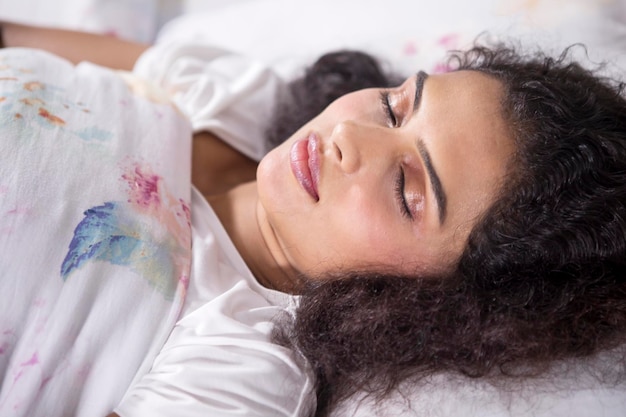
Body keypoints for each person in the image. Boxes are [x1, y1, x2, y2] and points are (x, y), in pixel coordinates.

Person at [1, 22, 626, 417]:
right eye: (394, 106)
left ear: (442, 306)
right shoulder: (229, 99)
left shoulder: (240, 365)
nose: (352, 136)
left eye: (409, 189)